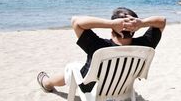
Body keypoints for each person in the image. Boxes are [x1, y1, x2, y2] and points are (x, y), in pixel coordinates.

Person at [37, 7, 166, 93]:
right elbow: (162, 21)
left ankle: (47, 83)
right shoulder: (145, 46)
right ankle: (48, 82)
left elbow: (76, 21)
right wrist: (142, 22)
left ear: (112, 30)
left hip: (91, 89)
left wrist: (110, 23)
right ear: (135, 29)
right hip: (121, 88)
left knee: (72, 68)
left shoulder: (98, 46)